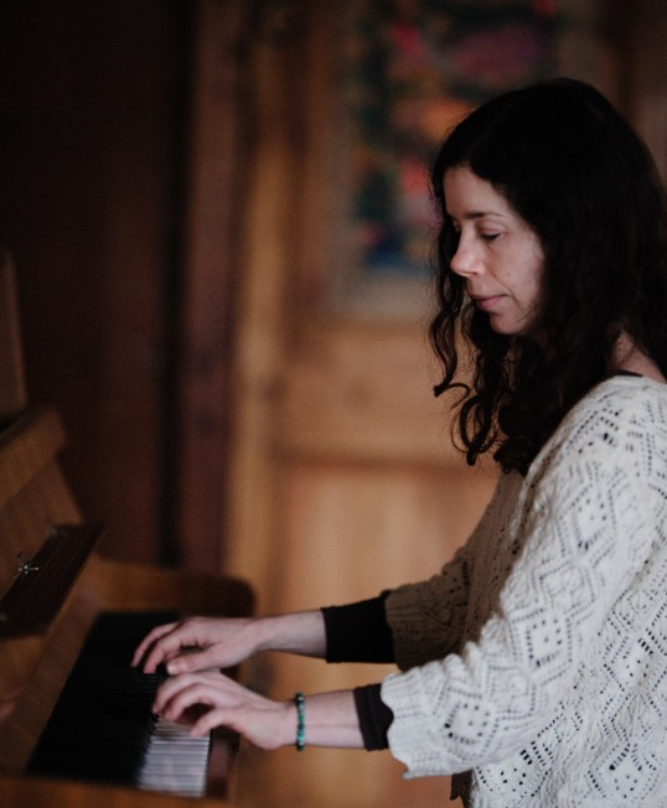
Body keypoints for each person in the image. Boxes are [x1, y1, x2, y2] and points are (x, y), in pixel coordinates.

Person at [132, 77, 667, 806]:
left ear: (571, 232)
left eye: (489, 231)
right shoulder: (586, 402)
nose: (460, 261)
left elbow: (502, 692)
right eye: (456, 232)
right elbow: (459, 605)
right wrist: (258, 635)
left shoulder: (619, 429)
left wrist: (277, 719)